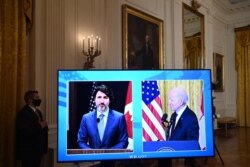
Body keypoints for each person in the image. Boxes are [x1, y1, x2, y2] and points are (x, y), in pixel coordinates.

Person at [77, 84, 128, 149]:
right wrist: (92, 153)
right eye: (99, 97)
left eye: (105, 97)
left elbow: (123, 141)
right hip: (93, 158)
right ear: (94, 99)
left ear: (110, 100)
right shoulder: (86, 118)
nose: (102, 101)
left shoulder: (119, 117)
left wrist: (108, 154)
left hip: (112, 158)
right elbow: (81, 141)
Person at [159, 87, 199, 167]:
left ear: (180, 102)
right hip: (171, 155)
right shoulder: (174, 114)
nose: (169, 102)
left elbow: (192, 143)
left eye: (172, 100)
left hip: (182, 160)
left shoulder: (190, 117)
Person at [16, 90, 48, 167]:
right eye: (37, 97)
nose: (39, 99)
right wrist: (40, 126)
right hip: (29, 152)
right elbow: (25, 131)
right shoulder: (23, 113)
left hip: (38, 149)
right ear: (30, 100)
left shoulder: (38, 112)